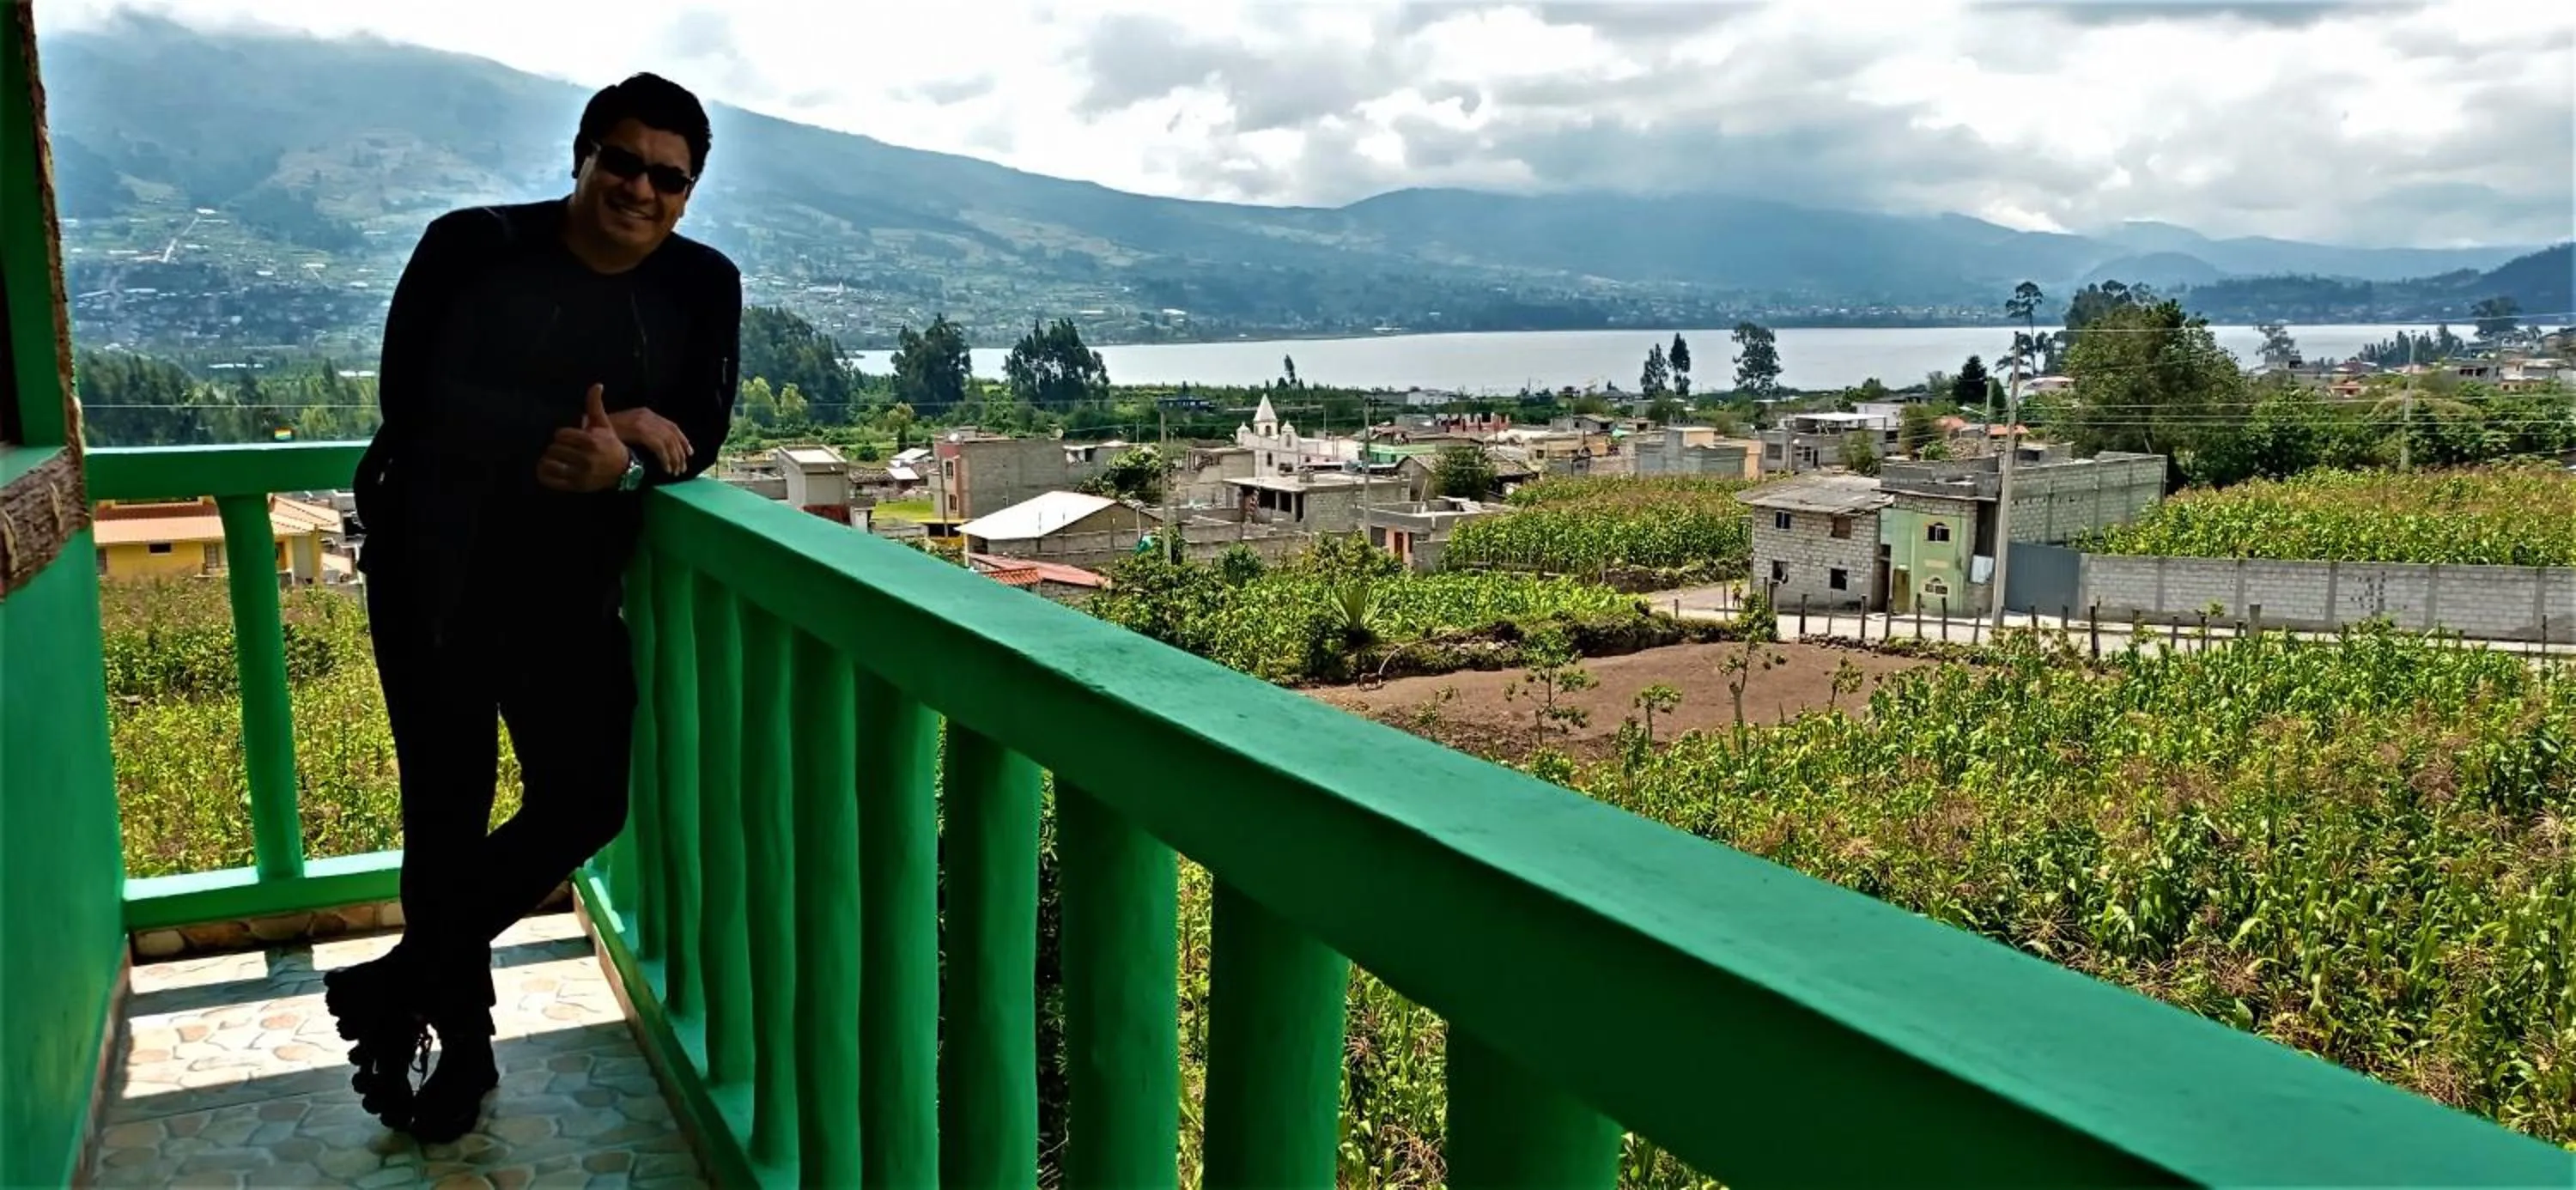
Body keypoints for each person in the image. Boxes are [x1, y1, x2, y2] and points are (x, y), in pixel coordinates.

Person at [322, 72, 740, 1143]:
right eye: (623, 161)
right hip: (437, 575)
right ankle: (457, 1047)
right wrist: (592, 424)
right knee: (447, 812)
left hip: (567, 585)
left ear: (689, 192)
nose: (641, 188)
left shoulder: (702, 286)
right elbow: (414, 402)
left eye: (669, 175)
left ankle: (401, 980)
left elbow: (699, 434)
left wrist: (627, 469)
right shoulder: (471, 247)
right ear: (582, 157)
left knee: (589, 798)